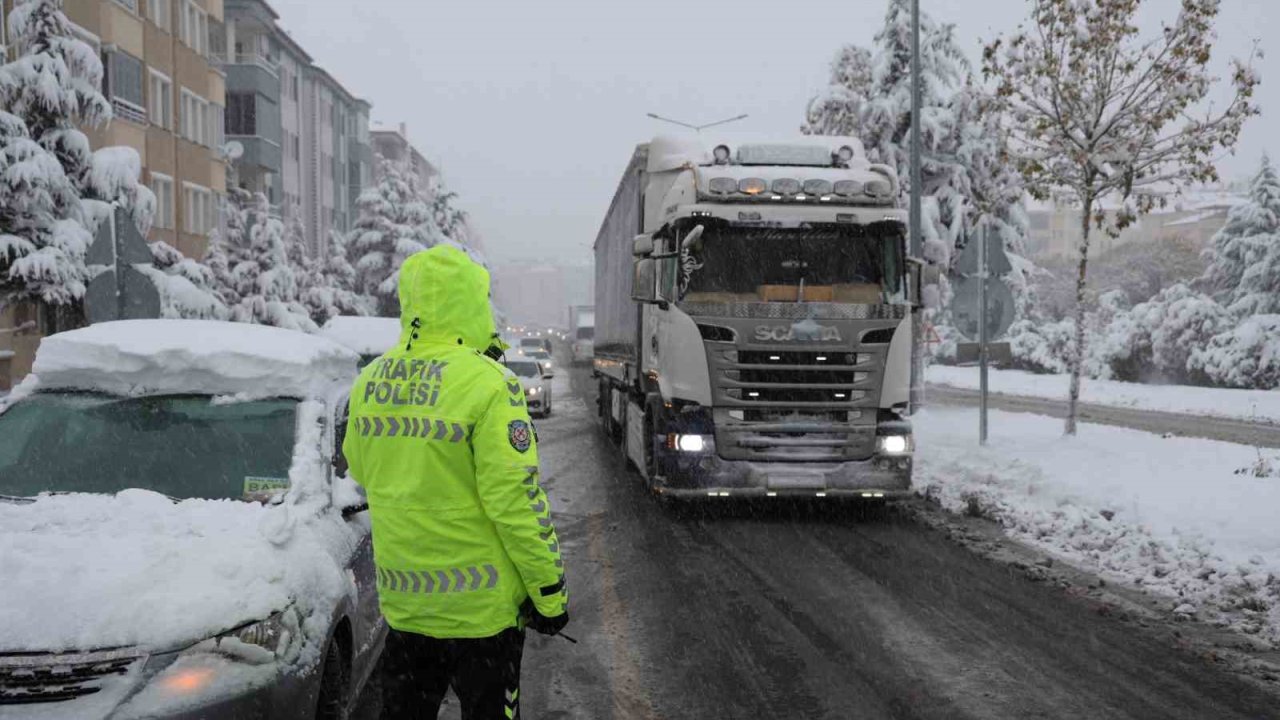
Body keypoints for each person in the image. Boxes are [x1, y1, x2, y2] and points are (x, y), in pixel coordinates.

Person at [343, 246, 568, 719]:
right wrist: (549, 595)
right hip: (482, 619)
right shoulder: (489, 384)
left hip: (406, 611)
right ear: (471, 302)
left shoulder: (369, 383)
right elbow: (516, 502)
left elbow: (362, 472)